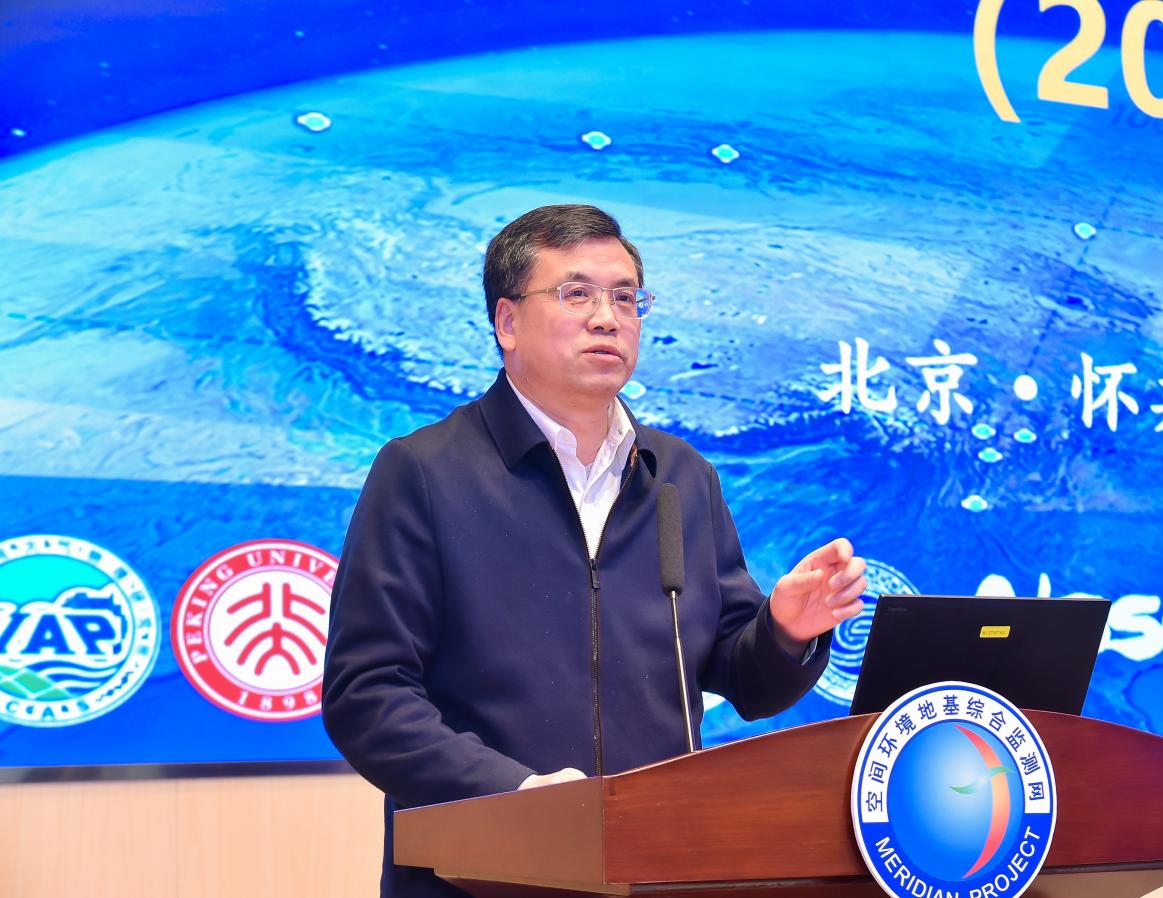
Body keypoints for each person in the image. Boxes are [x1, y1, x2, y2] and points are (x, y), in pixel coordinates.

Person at [322, 204, 867, 897]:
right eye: (576, 294)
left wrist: (786, 631)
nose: (607, 318)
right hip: (479, 874)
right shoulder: (424, 473)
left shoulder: (678, 477)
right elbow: (367, 695)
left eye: (625, 298)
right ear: (507, 322)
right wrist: (516, 793)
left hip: (660, 868)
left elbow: (742, 676)